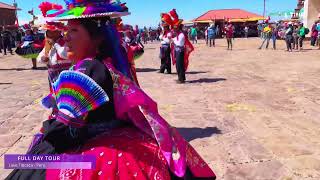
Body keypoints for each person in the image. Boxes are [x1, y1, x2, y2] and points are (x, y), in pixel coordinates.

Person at [6, 1, 215, 179]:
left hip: (95, 146)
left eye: (74, 31)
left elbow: (64, 131)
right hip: (115, 133)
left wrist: (45, 134)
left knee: (27, 164)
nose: (65, 38)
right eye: (65, 31)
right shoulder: (103, 63)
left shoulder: (88, 69)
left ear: (97, 38)